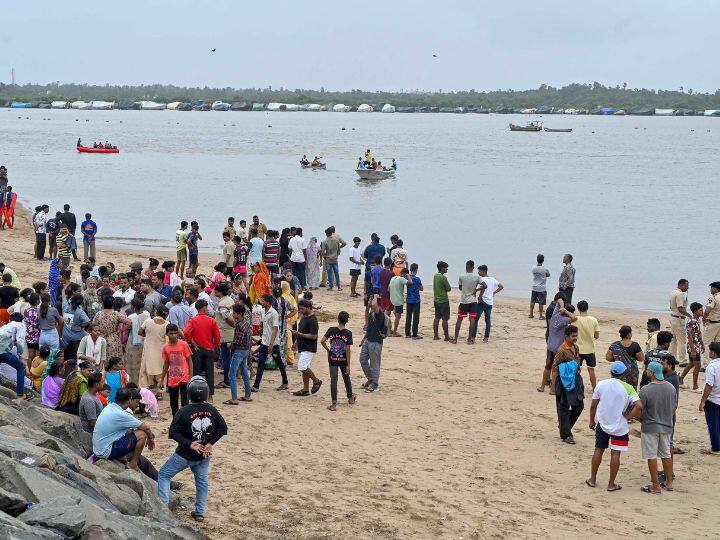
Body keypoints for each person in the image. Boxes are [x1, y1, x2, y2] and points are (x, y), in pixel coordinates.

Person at [157, 376, 228, 522]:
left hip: (184, 455)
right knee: (202, 481)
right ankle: (199, 512)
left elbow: (173, 432)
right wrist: (210, 443)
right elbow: (223, 428)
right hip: (203, 455)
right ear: (207, 393)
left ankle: (163, 510)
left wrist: (189, 443)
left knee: (164, 475)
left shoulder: (183, 411)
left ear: (189, 393)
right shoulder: (212, 410)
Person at [586, 361, 641, 491]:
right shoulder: (628, 388)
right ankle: (611, 484)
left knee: (598, 450)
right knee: (615, 454)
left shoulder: (601, 384)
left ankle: (593, 479)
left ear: (611, 372)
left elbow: (593, 405)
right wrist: (628, 416)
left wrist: (591, 421)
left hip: (603, 423)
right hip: (620, 426)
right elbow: (639, 406)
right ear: (623, 374)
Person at [92, 387, 156, 471]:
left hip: (98, 448)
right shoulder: (122, 414)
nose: (137, 404)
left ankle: (124, 457)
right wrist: (151, 438)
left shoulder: (109, 407)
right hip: (106, 451)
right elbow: (146, 427)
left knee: (131, 433)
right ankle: (133, 464)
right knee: (142, 434)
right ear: (129, 400)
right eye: (136, 402)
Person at [638, 361, 677, 494]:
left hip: (650, 426)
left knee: (651, 455)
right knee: (666, 454)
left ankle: (655, 485)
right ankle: (668, 483)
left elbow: (640, 409)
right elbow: (674, 407)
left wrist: (639, 419)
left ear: (651, 373)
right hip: (666, 426)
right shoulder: (671, 388)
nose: (646, 372)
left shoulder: (645, 390)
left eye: (648, 370)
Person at [552, 325, 584, 444]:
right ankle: (566, 435)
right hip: (563, 381)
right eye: (573, 336)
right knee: (563, 407)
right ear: (566, 336)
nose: (575, 338)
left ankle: (564, 426)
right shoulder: (561, 350)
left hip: (575, 379)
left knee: (579, 405)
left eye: (576, 336)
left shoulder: (576, 347)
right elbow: (555, 367)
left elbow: (578, 361)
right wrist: (553, 387)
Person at [538, 298, 577, 393]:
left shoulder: (555, 315)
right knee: (556, 369)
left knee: (547, 366)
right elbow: (575, 318)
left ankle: (542, 387)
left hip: (550, 346)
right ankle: (552, 389)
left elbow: (559, 300)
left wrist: (562, 307)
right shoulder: (564, 320)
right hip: (558, 348)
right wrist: (567, 311)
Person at [252, 294, 289, 391]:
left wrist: (271, 344)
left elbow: (275, 329)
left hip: (273, 344)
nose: (261, 302)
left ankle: (285, 382)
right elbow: (264, 324)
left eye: (263, 301)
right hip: (264, 342)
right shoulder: (263, 311)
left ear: (268, 302)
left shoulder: (274, 313)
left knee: (279, 363)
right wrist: (261, 328)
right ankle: (256, 386)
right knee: (260, 363)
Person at [159, 323, 193, 416]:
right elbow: (166, 364)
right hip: (172, 378)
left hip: (184, 377)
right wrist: (162, 380)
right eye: (171, 333)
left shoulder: (184, 344)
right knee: (173, 403)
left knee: (185, 402)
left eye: (175, 333)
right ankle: (176, 421)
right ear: (167, 334)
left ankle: (185, 420)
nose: (173, 335)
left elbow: (189, 360)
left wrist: (191, 377)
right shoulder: (165, 347)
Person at [291, 299, 322, 396]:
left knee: (302, 367)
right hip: (302, 345)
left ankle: (316, 381)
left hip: (309, 347)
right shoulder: (304, 316)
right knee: (305, 368)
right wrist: (296, 342)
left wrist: (299, 334)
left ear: (309, 308)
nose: (300, 311)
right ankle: (305, 389)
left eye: (302, 309)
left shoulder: (313, 320)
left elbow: (314, 336)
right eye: (300, 309)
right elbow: (300, 330)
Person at [226, 303, 252, 404]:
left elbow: (238, 341)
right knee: (244, 373)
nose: (233, 314)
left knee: (231, 374)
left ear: (239, 314)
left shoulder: (239, 325)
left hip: (239, 351)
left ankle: (234, 398)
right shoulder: (246, 323)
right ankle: (247, 395)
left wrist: (231, 345)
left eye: (234, 313)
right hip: (246, 350)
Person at [359, 295, 387, 393]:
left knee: (374, 364)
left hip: (376, 342)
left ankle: (374, 384)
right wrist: (363, 339)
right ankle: (371, 379)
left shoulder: (380, 314)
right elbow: (369, 326)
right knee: (362, 359)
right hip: (368, 340)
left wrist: (375, 296)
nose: (370, 302)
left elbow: (374, 304)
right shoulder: (372, 313)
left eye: (371, 301)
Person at [138, 305, 169, 391]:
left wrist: (147, 335)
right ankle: (161, 391)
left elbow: (139, 332)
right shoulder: (167, 324)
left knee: (144, 371)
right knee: (162, 372)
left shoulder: (148, 321)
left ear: (156, 312)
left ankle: (144, 390)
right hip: (161, 352)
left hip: (148, 350)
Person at [471, 265, 503, 343]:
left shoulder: (482, 279)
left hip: (483, 301)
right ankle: (486, 337)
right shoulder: (492, 279)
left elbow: (483, 288)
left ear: (483, 271)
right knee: (487, 320)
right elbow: (501, 286)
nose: (478, 273)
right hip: (490, 302)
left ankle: (473, 337)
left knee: (476, 319)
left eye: (479, 271)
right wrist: (493, 293)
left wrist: (479, 297)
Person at [606, 326, 645, 390]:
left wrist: (617, 358)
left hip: (618, 372)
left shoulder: (614, 345)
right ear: (629, 334)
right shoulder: (635, 345)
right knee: (631, 391)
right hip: (632, 373)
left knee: (618, 389)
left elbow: (608, 358)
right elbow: (641, 358)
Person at [453, 260, 481, 344]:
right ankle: (469, 339)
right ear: (473, 267)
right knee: (472, 320)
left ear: (466, 266)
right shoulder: (477, 277)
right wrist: (476, 290)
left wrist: (466, 289)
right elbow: (485, 285)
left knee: (460, 319)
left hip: (464, 301)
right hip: (473, 301)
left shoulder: (462, 276)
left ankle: (455, 339)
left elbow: (460, 288)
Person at [700, 341, 720, 455]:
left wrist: (703, 401)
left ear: (713, 353)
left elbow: (709, 386)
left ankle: (716, 448)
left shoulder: (711, 367)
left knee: (713, 424)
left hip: (712, 399)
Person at [575, 300, 600, 389]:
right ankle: (594, 388)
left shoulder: (575, 319)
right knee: (591, 370)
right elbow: (597, 335)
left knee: (577, 370)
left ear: (578, 308)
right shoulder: (594, 320)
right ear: (587, 308)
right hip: (590, 349)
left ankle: (575, 387)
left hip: (578, 349)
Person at [680, 302, 704, 390]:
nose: (702, 311)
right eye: (700, 310)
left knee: (691, 364)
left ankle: (680, 379)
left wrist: (702, 344)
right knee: (697, 365)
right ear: (695, 311)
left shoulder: (697, 321)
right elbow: (689, 336)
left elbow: (698, 334)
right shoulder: (691, 321)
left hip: (696, 345)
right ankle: (695, 386)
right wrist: (693, 350)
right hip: (692, 346)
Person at [62, 293, 90, 360]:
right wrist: (81, 326)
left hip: (66, 335)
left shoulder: (65, 307)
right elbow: (87, 321)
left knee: (67, 355)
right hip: (77, 336)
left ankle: (68, 368)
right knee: (78, 355)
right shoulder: (80, 312)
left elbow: (64, 297)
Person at [669, 279, 690, 361]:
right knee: (682, 340)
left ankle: (672, 357)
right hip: (679, 319)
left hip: (673, 317)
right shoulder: (680, 294)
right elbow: (680, 308)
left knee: (673, 339)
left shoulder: (673, 292)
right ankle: (682, 360)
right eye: (687, 285)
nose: (688, 288)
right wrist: (689, 316)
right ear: (681, 285)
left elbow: (671, 307)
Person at [433, 261, 452, 341]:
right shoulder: (443, 277)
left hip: (436, 299)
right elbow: (449, 288)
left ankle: (436, 335)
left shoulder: (435, 276)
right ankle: (446, 337)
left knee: (437, 318)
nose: (447, 269)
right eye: (446, 268)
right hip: (443, 300)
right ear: (442, 269)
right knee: (445, 319)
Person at [405, 263, 423, 339]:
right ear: (416, 270)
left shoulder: (407, 277)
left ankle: (407, 333)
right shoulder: (417, 279)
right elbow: (421, 288)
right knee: (415, 317)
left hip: (409, 299)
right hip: (416, 300)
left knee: (408, 316)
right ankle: (414, 334)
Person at [389, 268, 408, 337]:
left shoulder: (393, 278)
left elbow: (389, 289)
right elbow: (410, 282)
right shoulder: (401, 279)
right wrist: (408, 276)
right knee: (398, 316)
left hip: (392, 299)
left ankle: (393, 331)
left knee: (396, 313)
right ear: (405, 274)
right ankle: (394, 332)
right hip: (399, 300)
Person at [530, 254, 551, 319]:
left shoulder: (534, 268)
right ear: (543, 260)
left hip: (534, 286)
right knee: (541, 302)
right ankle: (541, 315)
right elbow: (548, 275)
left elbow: (534, 274)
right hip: (542, 288)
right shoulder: (545, 269)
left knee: (532, 301)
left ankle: (531, 314)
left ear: (537, 260)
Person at [702, 282, 720, 356]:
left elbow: (707, 311)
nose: (711, 289)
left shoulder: (713, 298)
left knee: (706, 343)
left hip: (713, 323)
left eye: (711, 288)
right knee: (718, 343)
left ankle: (706, 364)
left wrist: (704, 319)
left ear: (715, 288)